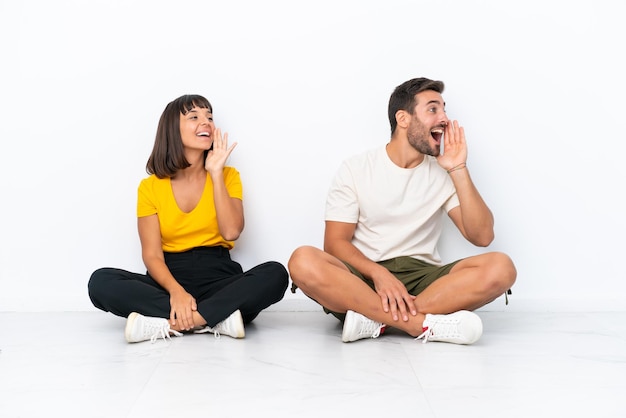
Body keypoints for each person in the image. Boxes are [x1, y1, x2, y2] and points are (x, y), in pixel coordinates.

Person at [288, 77, 516, 345]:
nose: (444, 118)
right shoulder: (356, 168)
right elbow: (335, 243)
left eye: (444, 109)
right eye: (433, 109)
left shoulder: (443, 173)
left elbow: (482, 236)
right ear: (403, 118)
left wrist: (458, 168)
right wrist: (379, 274)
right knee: (302, 260)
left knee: (501, 267)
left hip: (424, 280)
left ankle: (372, 318)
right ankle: (421, 324)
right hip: (363, 280)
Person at [88, 94, 289, 343]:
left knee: (276, 274)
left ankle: (173, 322)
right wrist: (176, 292)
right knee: (101, 281)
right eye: (194, 117)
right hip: (168, 280)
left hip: (220, 277)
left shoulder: (228, 176)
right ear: (173, 129)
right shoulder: (150, 187)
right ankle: (216, 317)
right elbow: (151, 255)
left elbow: (231, 232)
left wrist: (215, 174)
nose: (206, 122)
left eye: (209, 117)